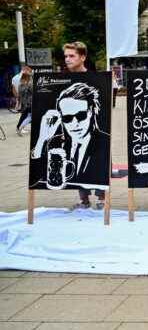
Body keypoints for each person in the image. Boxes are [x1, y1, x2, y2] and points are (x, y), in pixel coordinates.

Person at [31, 80, 111, 204]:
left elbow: (105, 171)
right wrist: (42, 139)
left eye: (80, 116)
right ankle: (84, 200)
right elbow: (34, 179)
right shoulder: (56, 143)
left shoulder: (105, 141)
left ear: (90, 112)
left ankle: (102, 199)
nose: (75, 124)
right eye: (67, 118)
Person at [58, 42, 109, 209]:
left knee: (99, 157)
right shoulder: (63, 80)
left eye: (72, 56)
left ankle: (102, 197)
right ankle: (83, 198)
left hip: (95, 130)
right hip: (72, 135)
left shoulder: (96, 79)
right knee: (74, 156)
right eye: (66, 56)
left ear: (83, 57)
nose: (67, 59)